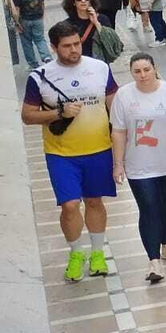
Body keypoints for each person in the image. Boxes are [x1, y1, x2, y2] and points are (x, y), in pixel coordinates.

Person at [22, 21, 119, 281]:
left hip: (99, 148)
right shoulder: (40, 77)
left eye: (76, 44)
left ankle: (97, 253)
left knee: (95, 201)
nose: (74, 49)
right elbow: (28, 116)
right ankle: (76, 253)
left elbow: (116, 104)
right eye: (67, 46)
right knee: (69, 205)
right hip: (61, 153)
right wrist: (58, 113)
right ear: (54, 47)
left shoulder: (99, 68)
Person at [110, 53, 166, 282]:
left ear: (154, 68)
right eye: (137, 71)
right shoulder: (124, 95)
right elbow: (118, 131)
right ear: (131, 73)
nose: (142, 75)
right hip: (138, 165)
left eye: (146, 70)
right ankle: (153, 260)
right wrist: (118, 164)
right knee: (148, 207)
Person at [8, 0, 51, 69]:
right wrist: (42, 15)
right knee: (40, 39)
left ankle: (33, 64)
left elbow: (16, 9)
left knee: (26, 42)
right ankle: (46, 57)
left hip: (24, 19)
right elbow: (42, 2)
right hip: (38, 17)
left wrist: (16, 22)